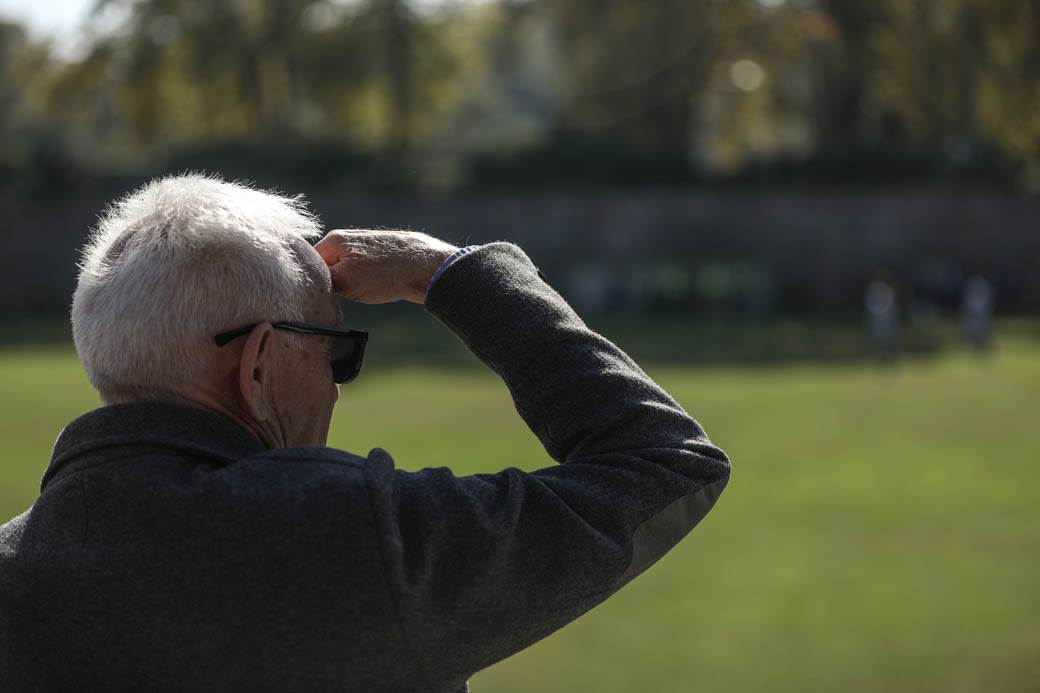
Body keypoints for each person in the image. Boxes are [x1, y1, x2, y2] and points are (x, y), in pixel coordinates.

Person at [0, 174, 731, 692]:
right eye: (334, 351)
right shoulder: (350, 537)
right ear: (258, 363)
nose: (336, 383)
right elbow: (664, 460)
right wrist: (447, 273)